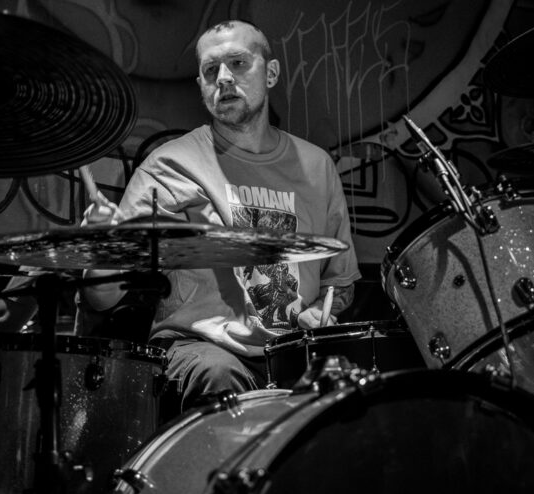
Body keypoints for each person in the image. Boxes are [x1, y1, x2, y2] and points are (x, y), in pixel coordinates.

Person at [79, 20, 361, 413]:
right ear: (201, 85)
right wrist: (100, 250)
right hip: (202, 350)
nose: (224, 78)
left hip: (292, 353)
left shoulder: (317, 166)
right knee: (220, 375)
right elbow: (102, 297)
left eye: (238, 63)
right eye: (211, 70)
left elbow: (339, 285)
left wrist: (319, 313)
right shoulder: (169, 165)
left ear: (271, 73)